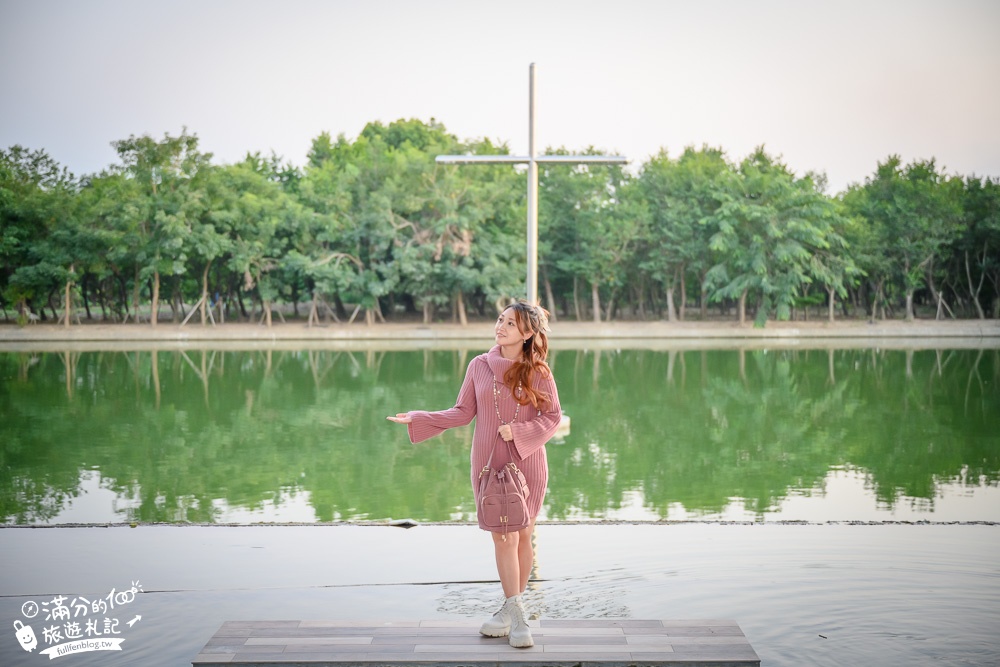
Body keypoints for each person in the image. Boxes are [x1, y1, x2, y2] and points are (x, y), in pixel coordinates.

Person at [387, 300, 562, 649]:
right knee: (503, 537)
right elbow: (462, 412)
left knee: (524, 535)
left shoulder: (539, 371)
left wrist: (521, 432)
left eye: (510, 324)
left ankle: (510, 612)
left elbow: (553, 416)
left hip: (527, 462)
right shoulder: (478, 365)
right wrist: (420, 418)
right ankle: (517, 617)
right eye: (500, 320)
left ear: (528, 333)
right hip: (489, 461)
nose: (500, 327)